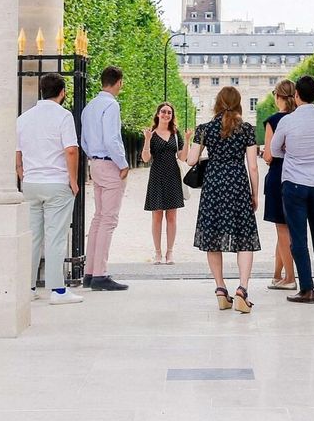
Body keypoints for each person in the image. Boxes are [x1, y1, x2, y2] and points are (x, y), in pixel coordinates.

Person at [185, 86, 261, 313]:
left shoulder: (205, 129)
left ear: (217, 103)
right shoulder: (247, 129)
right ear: (238, 103)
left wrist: (199, 146)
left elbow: (190, 161)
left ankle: (220, 289)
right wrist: (254, 194)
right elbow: (254, 167)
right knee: (245, 236)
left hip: (214, 186)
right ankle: (242, 291)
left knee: (212, 236)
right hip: (237, 183)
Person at [16, 72, 83, 305]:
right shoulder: (64, 116)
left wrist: (21, 172)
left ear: (41, 91)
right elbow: (71, 150)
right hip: (56, 182)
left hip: (31, 183)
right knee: (55, 237)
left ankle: (28, 287)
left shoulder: (23, 118)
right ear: (63, 92)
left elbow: (18, 152)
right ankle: (58, 290)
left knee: (32, 237)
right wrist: (73, 180)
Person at [271, 74, 314, 303]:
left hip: (294, 183)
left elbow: (275, 150)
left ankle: (307, 289)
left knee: (298, 238)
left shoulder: (288, 121)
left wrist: (291, 154)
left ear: (296, 95)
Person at [80, 65, 129, 291]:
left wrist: (93, 157)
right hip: (109, 164)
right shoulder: (111, 105)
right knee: (108, 220)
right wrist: (122, 163)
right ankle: (100, 274)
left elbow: (84, 141)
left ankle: (89, 272)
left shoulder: (89, 106)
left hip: (94, 162)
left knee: (98, 218)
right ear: (118, 82)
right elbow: (112, 139)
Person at [261, 80, 298, 290]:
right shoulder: (297, 119)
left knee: (282, 231)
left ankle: (290, 278)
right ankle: (277, 275)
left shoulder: (274, 120)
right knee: (285, 229)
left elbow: (268, 154)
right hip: (295, 175)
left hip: (277, 175)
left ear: (278, 96)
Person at [140, 102, 186, 264]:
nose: (166, 114)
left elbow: (182, 157)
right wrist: (147, 140)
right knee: (157, 216)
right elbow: (145, 158)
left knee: (172, 216)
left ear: (172, 116)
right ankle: (158, 253)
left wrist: (186, 140)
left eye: (169, 112)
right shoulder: (151, 134)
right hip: (157, 175)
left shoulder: (175, 133)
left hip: (173, 176)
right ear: (158, 114)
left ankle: (170, 253)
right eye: (164, 112)